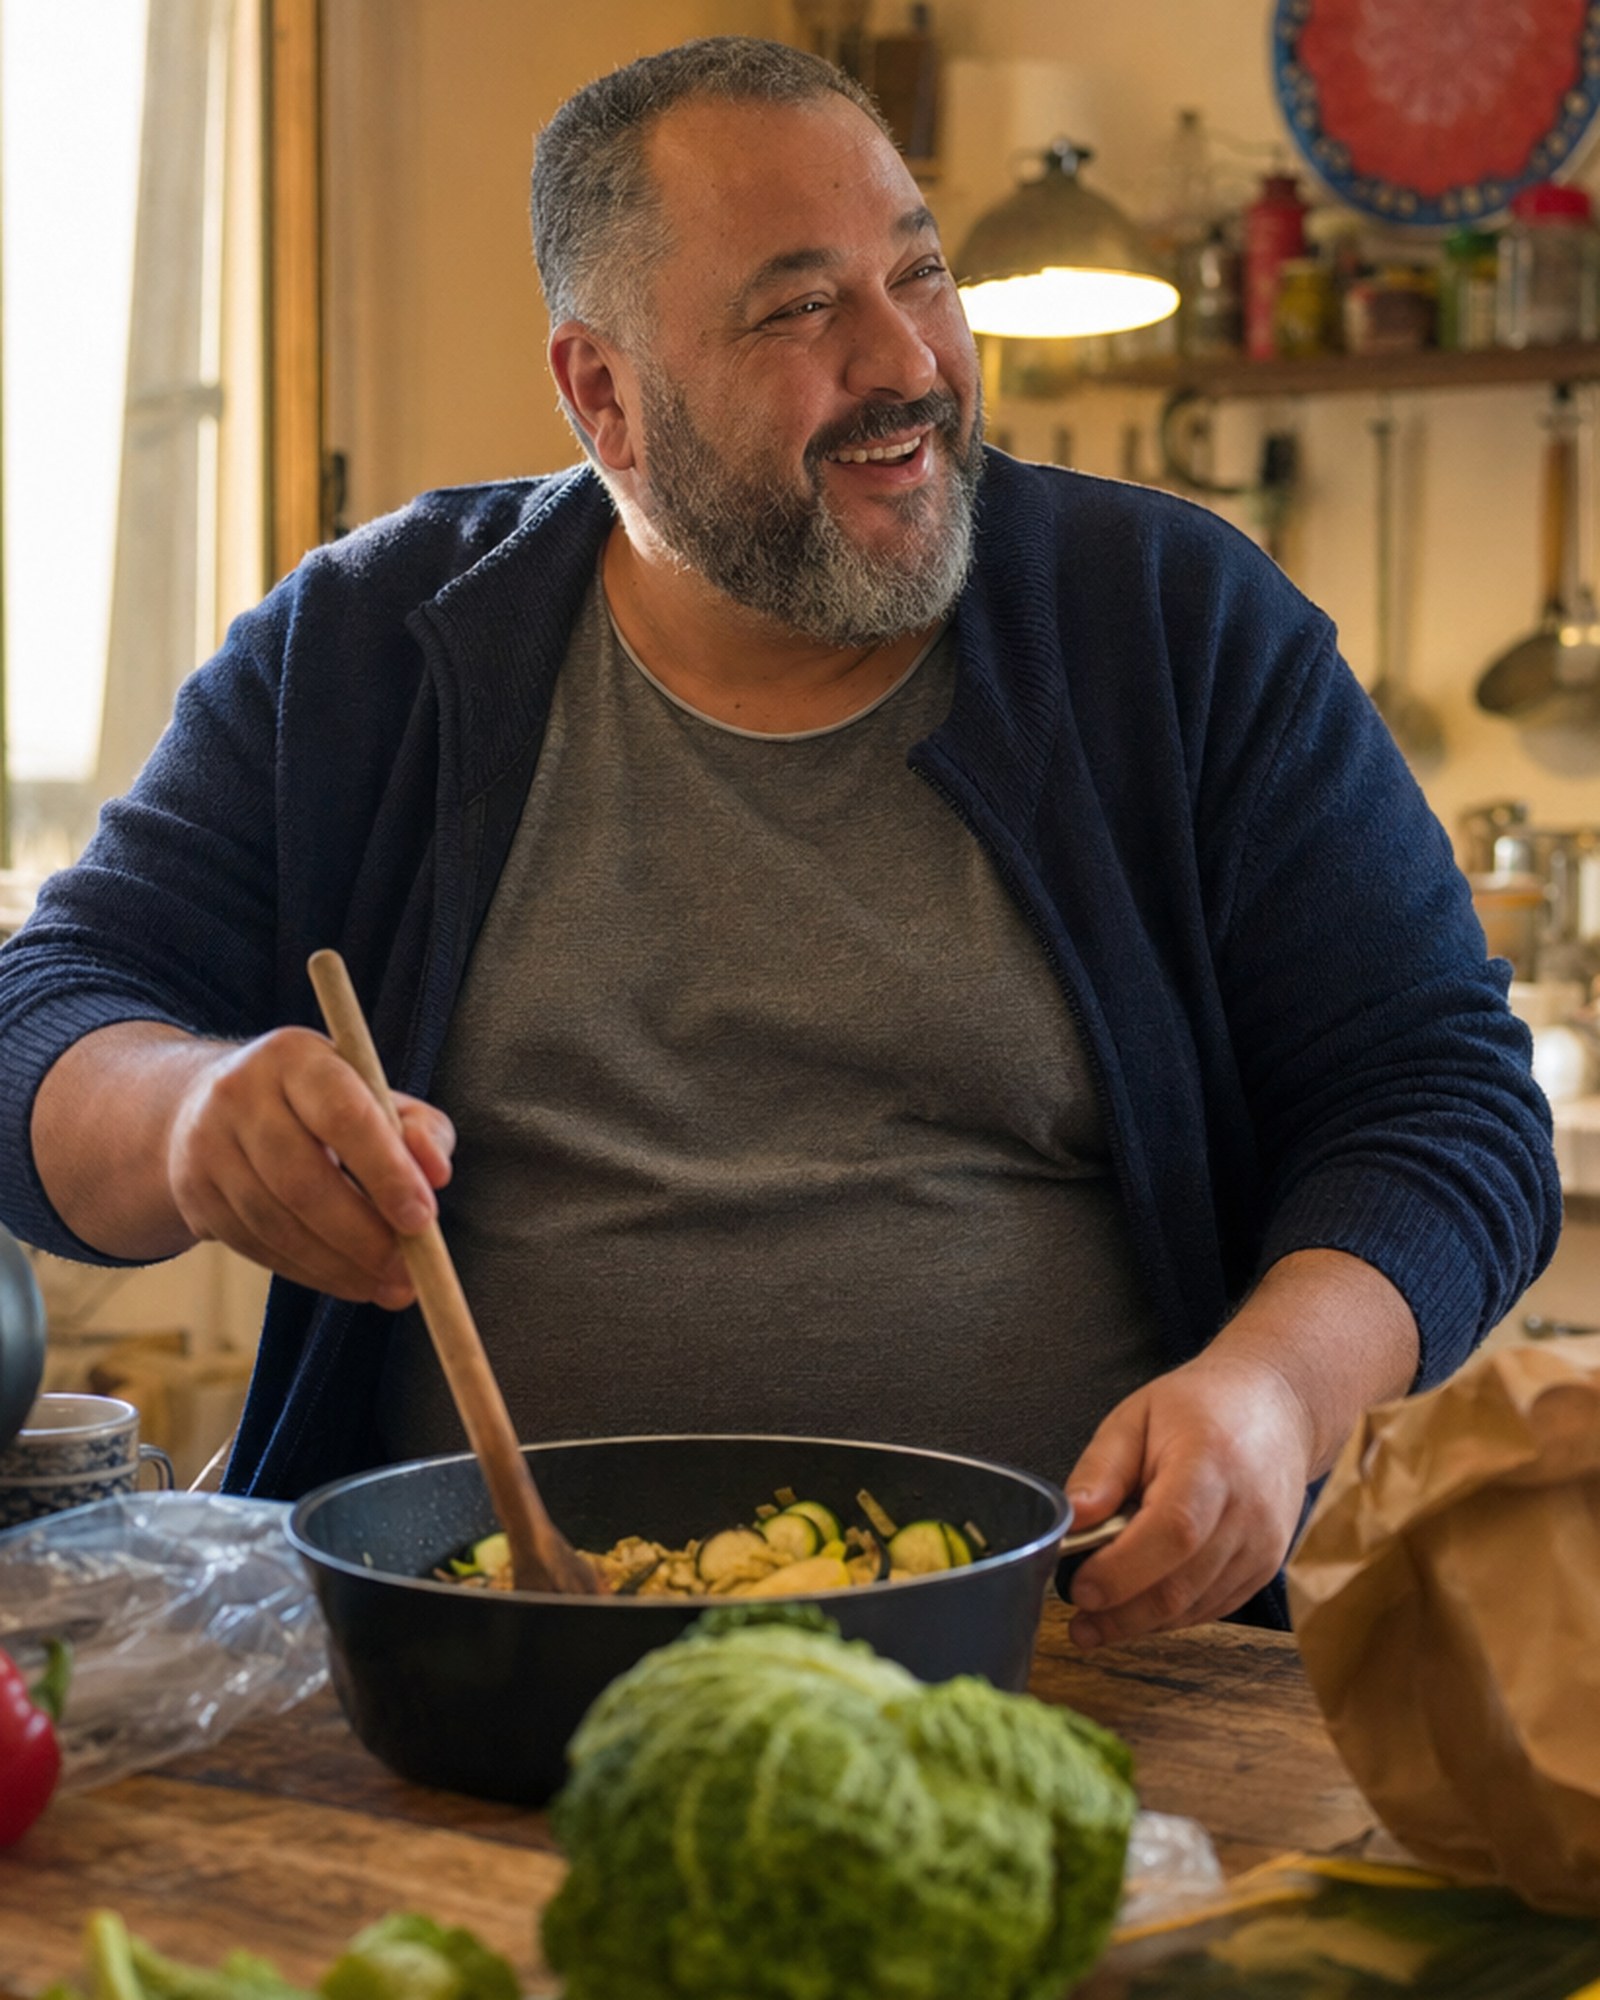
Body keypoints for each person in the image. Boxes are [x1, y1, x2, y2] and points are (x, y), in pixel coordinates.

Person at [0, 38, 1557, 1647]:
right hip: (462, 1664)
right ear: (602, 393)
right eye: (803, 307)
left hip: (1067, 1664)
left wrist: (1277, 1394)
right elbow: (38, 1023)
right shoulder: (367, 649)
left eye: (922, 274)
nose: (910, 364)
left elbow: (1444, 1107)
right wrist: (187, 1119)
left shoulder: (1173, 626)